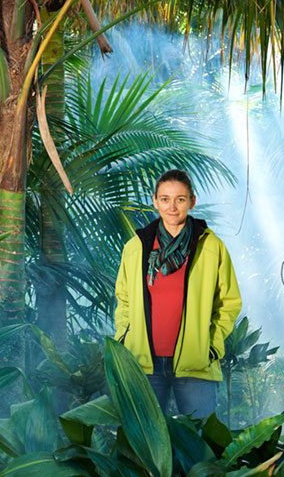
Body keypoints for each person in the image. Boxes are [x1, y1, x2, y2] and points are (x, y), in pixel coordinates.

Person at [114, 169, 241, 418]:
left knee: (202, 446)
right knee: (145, 449)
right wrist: (124, 340)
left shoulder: (211, 246)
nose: (172, 207)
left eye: (180, 199)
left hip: (195, 365)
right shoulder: (136, 247)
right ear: (155, 201)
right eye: (165, 199)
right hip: (144, 365)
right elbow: (124, 299)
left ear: (192, 201)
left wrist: (211, 347)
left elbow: (228, 302)